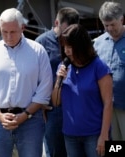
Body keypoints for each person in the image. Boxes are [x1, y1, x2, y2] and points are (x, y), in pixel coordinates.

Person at [0, 8, 53, 157]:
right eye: (4, 32)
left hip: (31, 121)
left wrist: (24, 115)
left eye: (13, 32)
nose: (8, 36)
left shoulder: (38, 51)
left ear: (22, 28)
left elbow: (45, 88)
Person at [51, 24, 113, 157]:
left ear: (81, 46)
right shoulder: (63, 67)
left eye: (70, 47)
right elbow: (56, 102)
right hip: (70, 135)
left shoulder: (99, 67)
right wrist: (58, 80)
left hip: (94, 135)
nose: (66, 51)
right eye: (65, 46)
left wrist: (104, 135)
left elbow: (108, 103)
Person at [35, 7, 79, 157]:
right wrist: (39, 102)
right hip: (52, 109)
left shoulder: (79, 39)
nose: (68, 35)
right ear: (56, 23)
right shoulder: (41, 43)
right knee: (55, 150)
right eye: (65, 30)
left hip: (77, 105)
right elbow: (33, 76)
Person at [93, 1, 125, 141]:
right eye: (106, 25)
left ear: (121, 19)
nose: (110, 29)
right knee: (114, 147)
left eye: (113, 24)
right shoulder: (98, 43)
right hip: (106, 108)